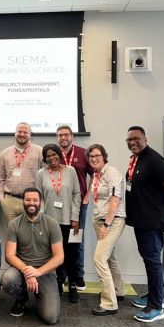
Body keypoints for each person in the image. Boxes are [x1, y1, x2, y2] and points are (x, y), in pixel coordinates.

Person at [125, 126, 164, 323]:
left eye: (136, 138)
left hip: (152, 221)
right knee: (151, 260)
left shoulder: (154, 160)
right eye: (129, 140)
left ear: (145, 139)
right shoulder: (137, 159)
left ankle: (157, 306)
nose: (132, 142)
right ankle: (156, 293)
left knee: (152, 261)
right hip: (142, 220)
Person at [2, 188, 64, 324]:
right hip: (21, 270)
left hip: (45, 272)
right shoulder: (14, 224)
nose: (31, 203)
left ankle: (39, 294)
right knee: (8, 279)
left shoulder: (51, 224)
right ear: (23, 201)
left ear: (40, 202)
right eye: (28, 200)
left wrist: (38, 272)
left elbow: (59, 257)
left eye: (35, 200)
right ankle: (22, 298)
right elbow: (9, 256)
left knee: (50, 318)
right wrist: (28, 272)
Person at [36, 144, 81, 303]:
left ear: (59, 155)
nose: (51, 158)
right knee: (54, 255)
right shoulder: (41, 173)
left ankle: (73, 285)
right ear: (45, 158)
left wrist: (75, 218)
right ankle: (59, 283)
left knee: (72, 254)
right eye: (48, 156)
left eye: (54, 154)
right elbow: (39, 197)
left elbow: (77, 194)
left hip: (69, 221)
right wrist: (41, 218)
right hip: (49, 222)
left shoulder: (70, 171)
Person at [86, 144, 126, 316]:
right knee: (110, 257)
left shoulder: (112, 173)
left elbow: (115, 201)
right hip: (99, 219)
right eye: (91, 156)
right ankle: (118, 290)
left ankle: (109, 303)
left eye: (97, 155)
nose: (94, 159)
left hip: (113, 221)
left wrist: (106, 225)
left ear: (104, 156)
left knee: (99, 258)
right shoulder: (96, 174)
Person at [56, 125, 92, 291]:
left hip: (79, 204)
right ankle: (61, 276)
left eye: (66, 135)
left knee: (76, 240)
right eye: (60, 135)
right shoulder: (54, 154)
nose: (63, 138)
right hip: (58, 205)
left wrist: (87, 196)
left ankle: (78, 276)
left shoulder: (83, 153)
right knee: (60, 240)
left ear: (72, 136)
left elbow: (95, 174)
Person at [0, 122, 42, 224]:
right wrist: (1, 199)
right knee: (12, 231)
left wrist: (41, 200)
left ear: (30, 134)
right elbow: (1, 178)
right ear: (15, 133)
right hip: (10, 201)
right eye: (19, 131)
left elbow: (44, 176)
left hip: (31, 201)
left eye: (25, 132)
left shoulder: (39, 151)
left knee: (31, 230)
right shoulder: (5, 153)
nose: (22, 134)